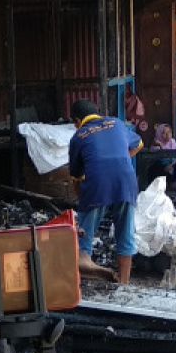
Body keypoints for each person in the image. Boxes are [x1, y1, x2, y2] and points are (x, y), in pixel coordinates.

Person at [68, 99, 142, 284]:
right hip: (126, 182)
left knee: (84, 235)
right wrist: (122, 159)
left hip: (97, 185)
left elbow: (77, 177)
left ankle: (83, 273)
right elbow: (138, 144)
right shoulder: (116, 123)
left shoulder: (78, 137)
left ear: (77, 121)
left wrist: (82, 200)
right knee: (126, 234)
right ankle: (124, 284)